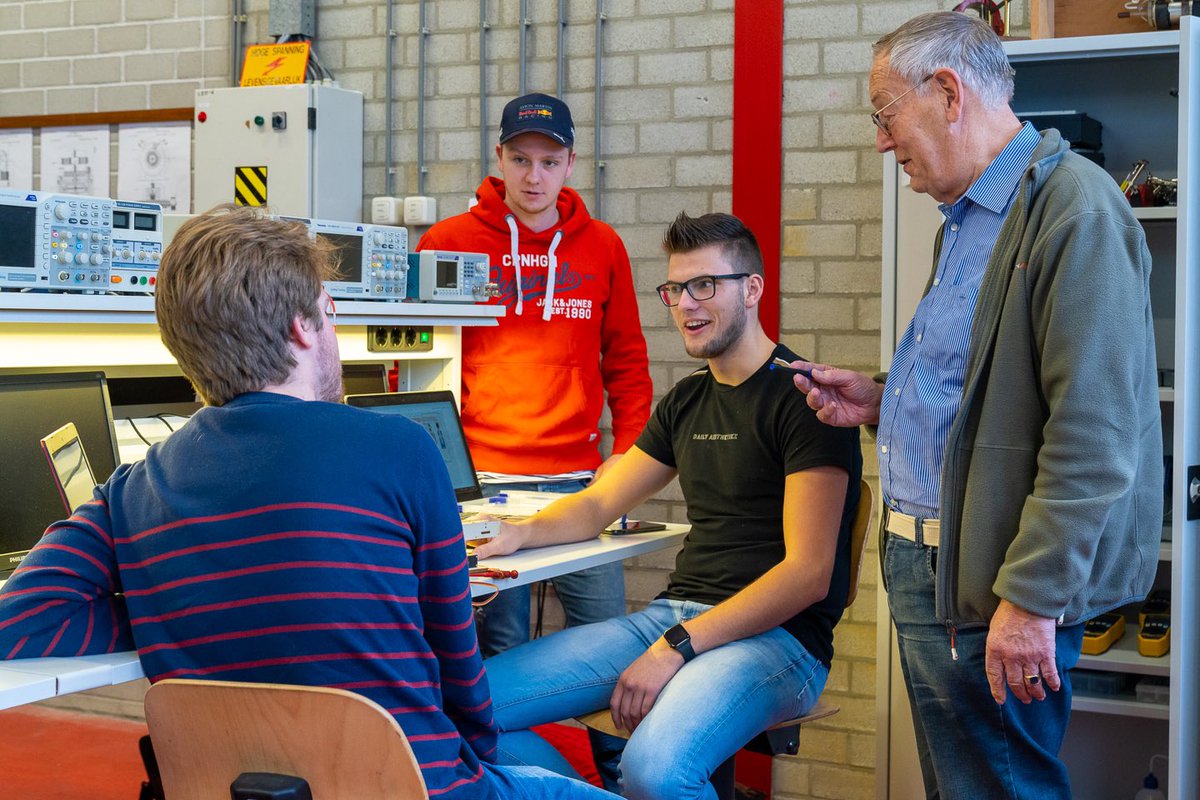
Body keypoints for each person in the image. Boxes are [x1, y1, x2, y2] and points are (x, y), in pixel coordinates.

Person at [0, 207, 613, 800]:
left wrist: (182, 612)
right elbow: (459, 670)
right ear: (301, 327)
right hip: (419, 787)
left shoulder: (131, 490)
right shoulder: (401, 449)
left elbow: (18, 624)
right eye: (329, 310)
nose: (333, 329)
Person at [789, 12, 1162, 799]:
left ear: (948, 92)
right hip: (932, 563)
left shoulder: (1076, 211)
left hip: (995, 579)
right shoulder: (965, 219)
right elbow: (985, 393)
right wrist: (883, 401)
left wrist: (1030, 600)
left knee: (999, 788)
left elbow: (1095, 434)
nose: (884, 143)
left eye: (885, 116)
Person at [473, 212, 863, 800]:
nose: (686, 304)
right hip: (673, 616)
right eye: (676, 289)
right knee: (462, 707)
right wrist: (514, 534)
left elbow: (808, 577)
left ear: (752, 288)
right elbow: (599, 501)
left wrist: (676, 646)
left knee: (654, 770)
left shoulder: (806, 399)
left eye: (705, 285)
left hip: (781, 641)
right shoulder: (687, 401)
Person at [417, 92, 652, 659]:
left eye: (549, 162)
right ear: (499, 158)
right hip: (481, 485)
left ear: (570, 164)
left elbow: (627, 362)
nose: (534, 176)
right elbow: (414, 367)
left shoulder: (603, 247)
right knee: (498, 651)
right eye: (521, 159)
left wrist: (626, 456)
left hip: (582, 485)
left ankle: (611, 755)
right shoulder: (448, 242)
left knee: (603, 643)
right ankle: (500, 753)